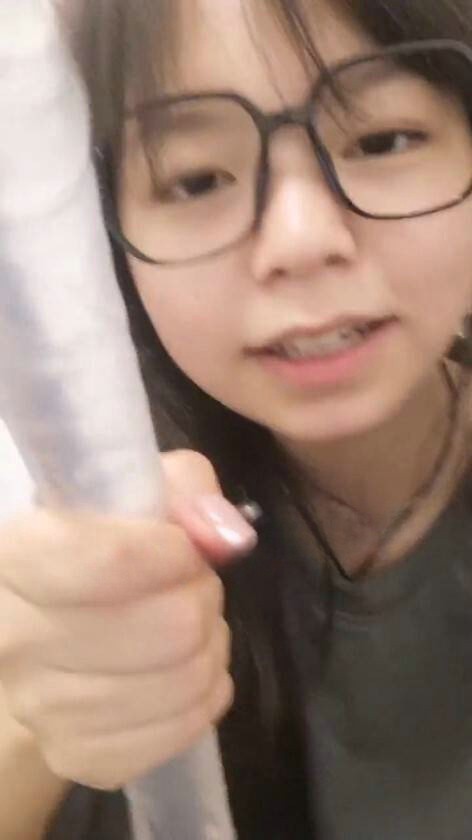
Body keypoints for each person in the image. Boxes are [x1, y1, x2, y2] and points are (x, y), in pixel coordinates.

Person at [2, 0, 472, 837]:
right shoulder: (98, 533)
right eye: (197, 181)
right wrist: (38, 720)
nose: (300, 240)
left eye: (383, 141)